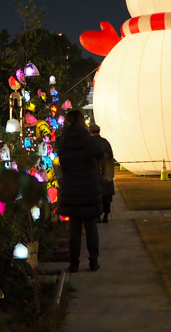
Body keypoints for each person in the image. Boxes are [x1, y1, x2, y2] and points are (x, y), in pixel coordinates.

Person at [56, 110, 105, 272]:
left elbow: (61, 160)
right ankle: (94, 261)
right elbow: (100, 155)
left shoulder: (62, 143)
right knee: (91, 228)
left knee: (74, 229)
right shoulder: (90, 142)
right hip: (89, 189)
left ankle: (74, 263)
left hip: (71, 190)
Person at [89, 124, 116, 223]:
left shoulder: (90, 143)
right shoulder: (105, 142)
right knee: (107, 197)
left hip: (95, 174)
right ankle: (106, 216)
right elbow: (110, 156)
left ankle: (98, 216)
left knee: (96, 197)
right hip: (106, 173)